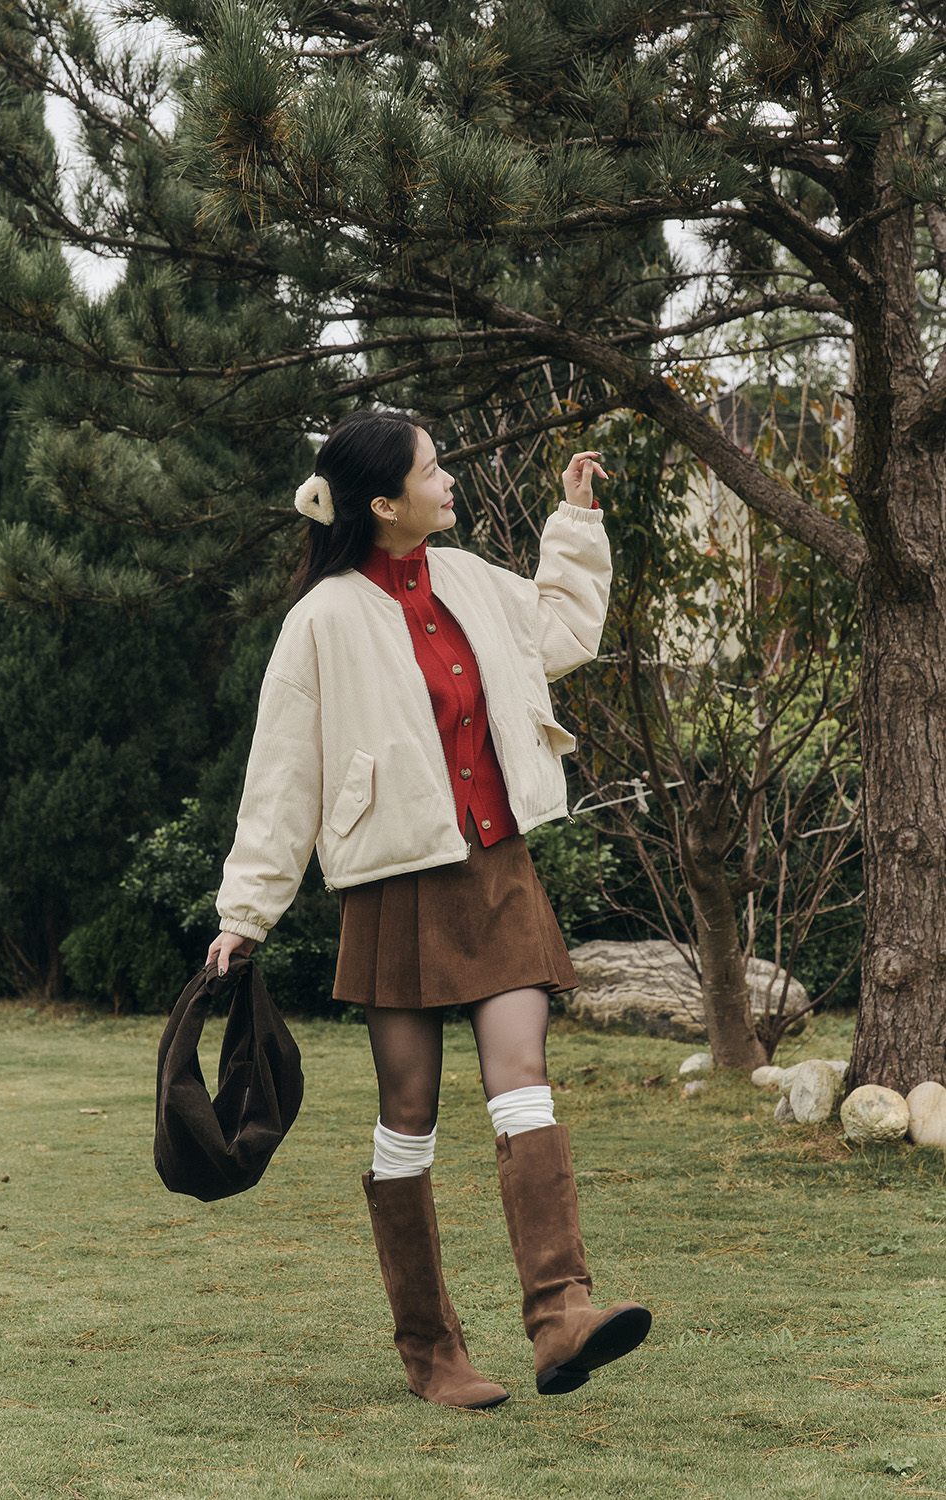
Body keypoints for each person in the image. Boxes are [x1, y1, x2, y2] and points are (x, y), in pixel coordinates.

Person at [206, 409, 651, 1408]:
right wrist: (245, 915)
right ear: (382, 501)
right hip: (394, 884)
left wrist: (575, 524)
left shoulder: (468, 580)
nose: (449, 481)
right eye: (432, 468)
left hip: (498, 869)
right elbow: (281, 779)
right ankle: (431, 1352)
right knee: (407, 1115)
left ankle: (560, 1316)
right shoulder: (321, 621)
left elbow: (562, 633)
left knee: (523, 1081)